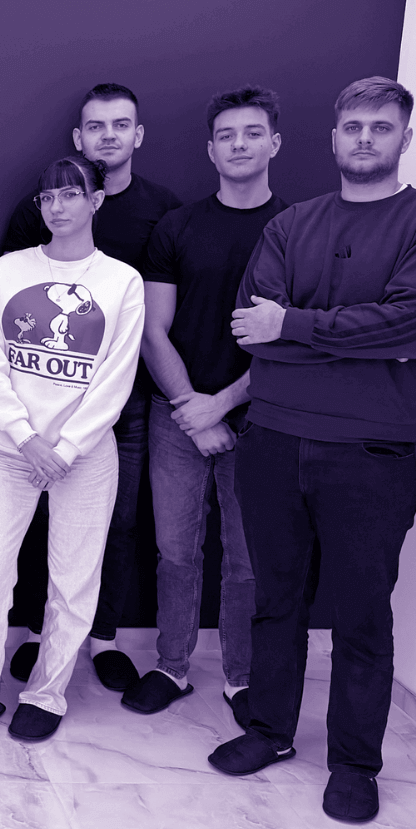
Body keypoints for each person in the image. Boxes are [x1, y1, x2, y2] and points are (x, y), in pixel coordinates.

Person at [209, 77, 416, 824]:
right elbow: (251, 329)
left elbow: (412, 327)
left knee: (360, 614)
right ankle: (270, 730)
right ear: (332, 138)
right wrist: (347, 335)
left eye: (379, 127)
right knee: (276, 599)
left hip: (372, 452)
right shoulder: (293, 224)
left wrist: (294, 324)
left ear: (404, 138)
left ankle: (354, 763)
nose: (364, 138)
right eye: (352, 126)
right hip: (273, 439)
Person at [0, 154, 145, 744]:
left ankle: (46, 694)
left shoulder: (122, 281)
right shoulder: (10, 269)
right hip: (10, 452)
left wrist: (67, 447)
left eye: (70, 194)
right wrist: (28, 440)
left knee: (73, 582)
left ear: (96, 200)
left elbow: (115, 379)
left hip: (85, 457)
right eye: (47, 197)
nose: (56, 207)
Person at [0, 83, 180, 692]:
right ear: (78, 137)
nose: (108, 136)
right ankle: (37, 631)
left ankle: (102, 638)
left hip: (123, 402)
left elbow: (160, 312)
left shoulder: (162, 210)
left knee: (118, 523)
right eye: (95, 126)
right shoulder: (39, 208)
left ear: (138, 135)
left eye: (120, 125)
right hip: (42, 400)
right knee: (37, 519)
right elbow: (13, 301)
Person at [122, 86, 288, 726]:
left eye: (252, 133)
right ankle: (172, 666)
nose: (238, 145)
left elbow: (292, 338)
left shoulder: (296, 229)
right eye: (226, 135)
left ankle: (241, 679)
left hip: (262, 416)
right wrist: (192, 407)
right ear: (210, 149)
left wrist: (222, 404)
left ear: (274, 143)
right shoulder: (178, 226)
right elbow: (152, 329)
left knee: (247, 560)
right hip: (177, 417)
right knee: (175, 552)